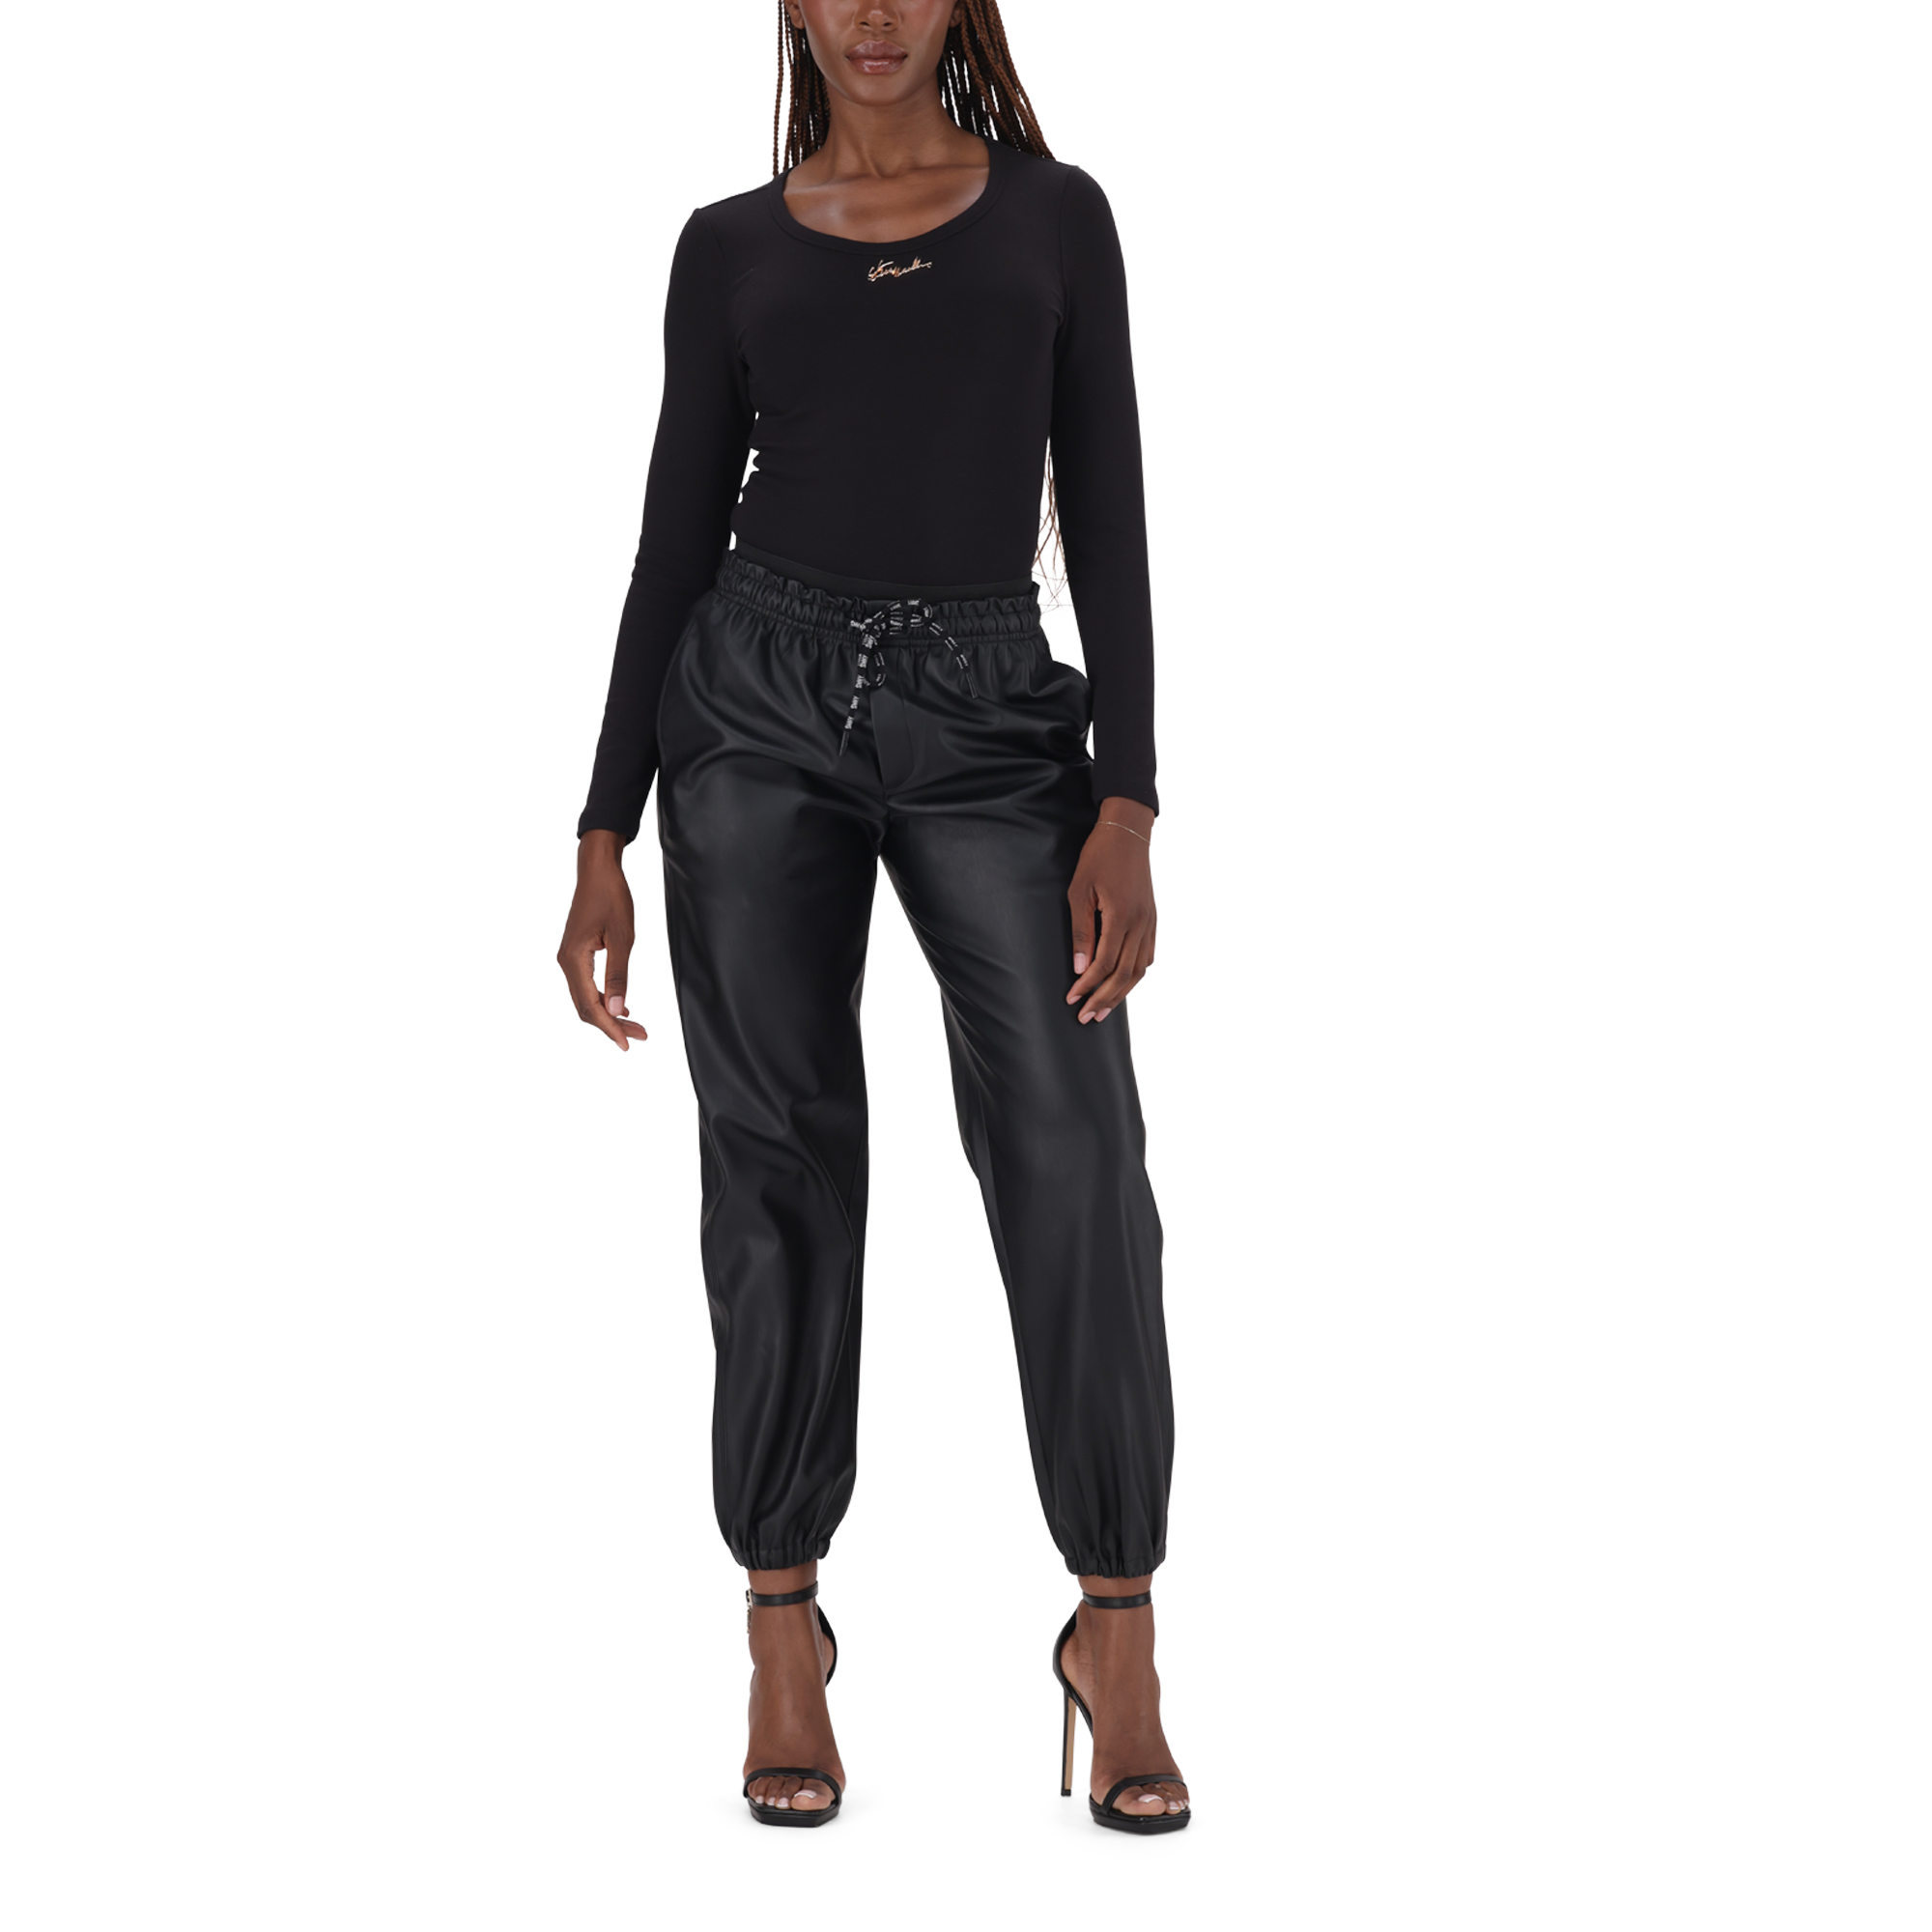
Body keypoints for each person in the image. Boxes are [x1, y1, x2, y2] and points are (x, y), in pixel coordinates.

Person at [559, 0, 1189, 1833]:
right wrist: (602, 825)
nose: (876, 15)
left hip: (994, 719)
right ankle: (783, 1625)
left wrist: (1129, 800)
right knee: (776, 1153)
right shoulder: (728, 246)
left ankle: (1117, 1630)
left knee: (1074, 1143)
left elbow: (1110, 517)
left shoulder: (1057, 215)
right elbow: (673, 536)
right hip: (753, 704)